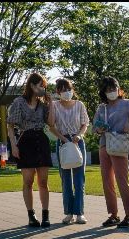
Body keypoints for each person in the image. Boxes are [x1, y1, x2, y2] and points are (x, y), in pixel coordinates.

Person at [92, 77, 129, 229]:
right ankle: (113, 215)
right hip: (104, 145)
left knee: (122, 181)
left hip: (120, 145)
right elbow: (94, 127)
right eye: (108, 89)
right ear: (103, 92)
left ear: (118, 89)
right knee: (107, 182)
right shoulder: (101, 108)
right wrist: (99, 129)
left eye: (113, 88)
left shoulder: (126, 104)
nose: (111, 91)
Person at [7, 72, 54, 228]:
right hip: (26, 141)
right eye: (41, 85)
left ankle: (45, 214)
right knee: (28, 181)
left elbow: (51, 123)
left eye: (44, 86)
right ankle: (31, 215)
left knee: (43, 181)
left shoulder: (43, 104)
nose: (43, 88)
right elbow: (10, 125)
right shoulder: (19, 102)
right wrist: (14, 146)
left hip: (41, 140)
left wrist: (51, 104)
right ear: (32, 85)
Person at [48, 78, 90, 225]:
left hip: (78, 142)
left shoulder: (79, 105)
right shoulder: (54, 105)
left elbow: (85, 123)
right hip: (62, 142)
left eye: (69, 89)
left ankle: (79, 213)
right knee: (65, 179)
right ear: (58, 92)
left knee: (79, 179)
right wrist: (63, 139)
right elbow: (51, 125)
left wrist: (79, 135)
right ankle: (69, 213)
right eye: (63, 90)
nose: (67, 92)